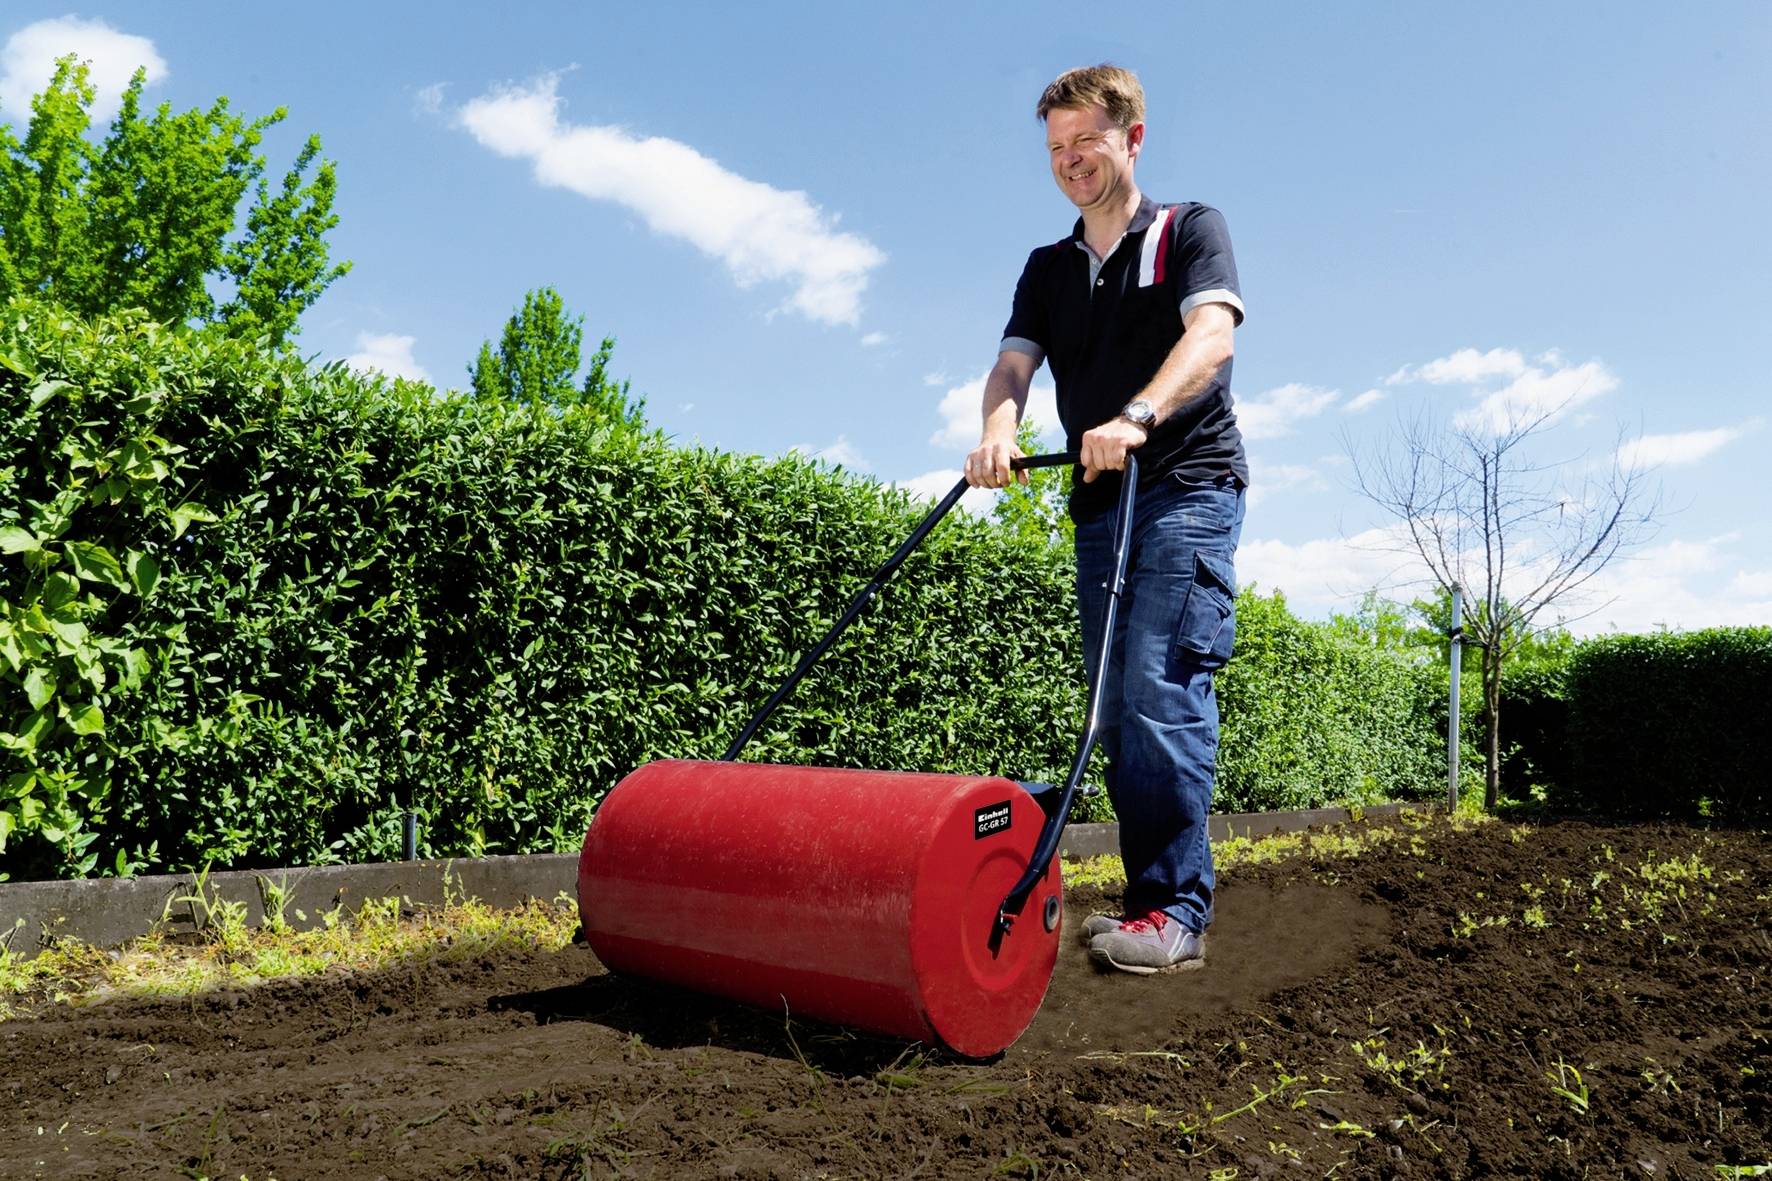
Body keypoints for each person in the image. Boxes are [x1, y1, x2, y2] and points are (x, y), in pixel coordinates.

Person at [963, 64, 1248, 975]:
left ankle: (1176, 912)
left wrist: (1136, 415)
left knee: (1162, 689)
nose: (1069, 160)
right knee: (1116, 712)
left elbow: (1211, 337)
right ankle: (1147, 904)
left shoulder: (1186, 231)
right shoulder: (1048, 269)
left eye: (1085, 140)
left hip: (1187, 484)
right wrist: (997, 432)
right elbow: (1013, 368)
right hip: (1102, 501)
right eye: (1054, 147)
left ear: (1132, 138)